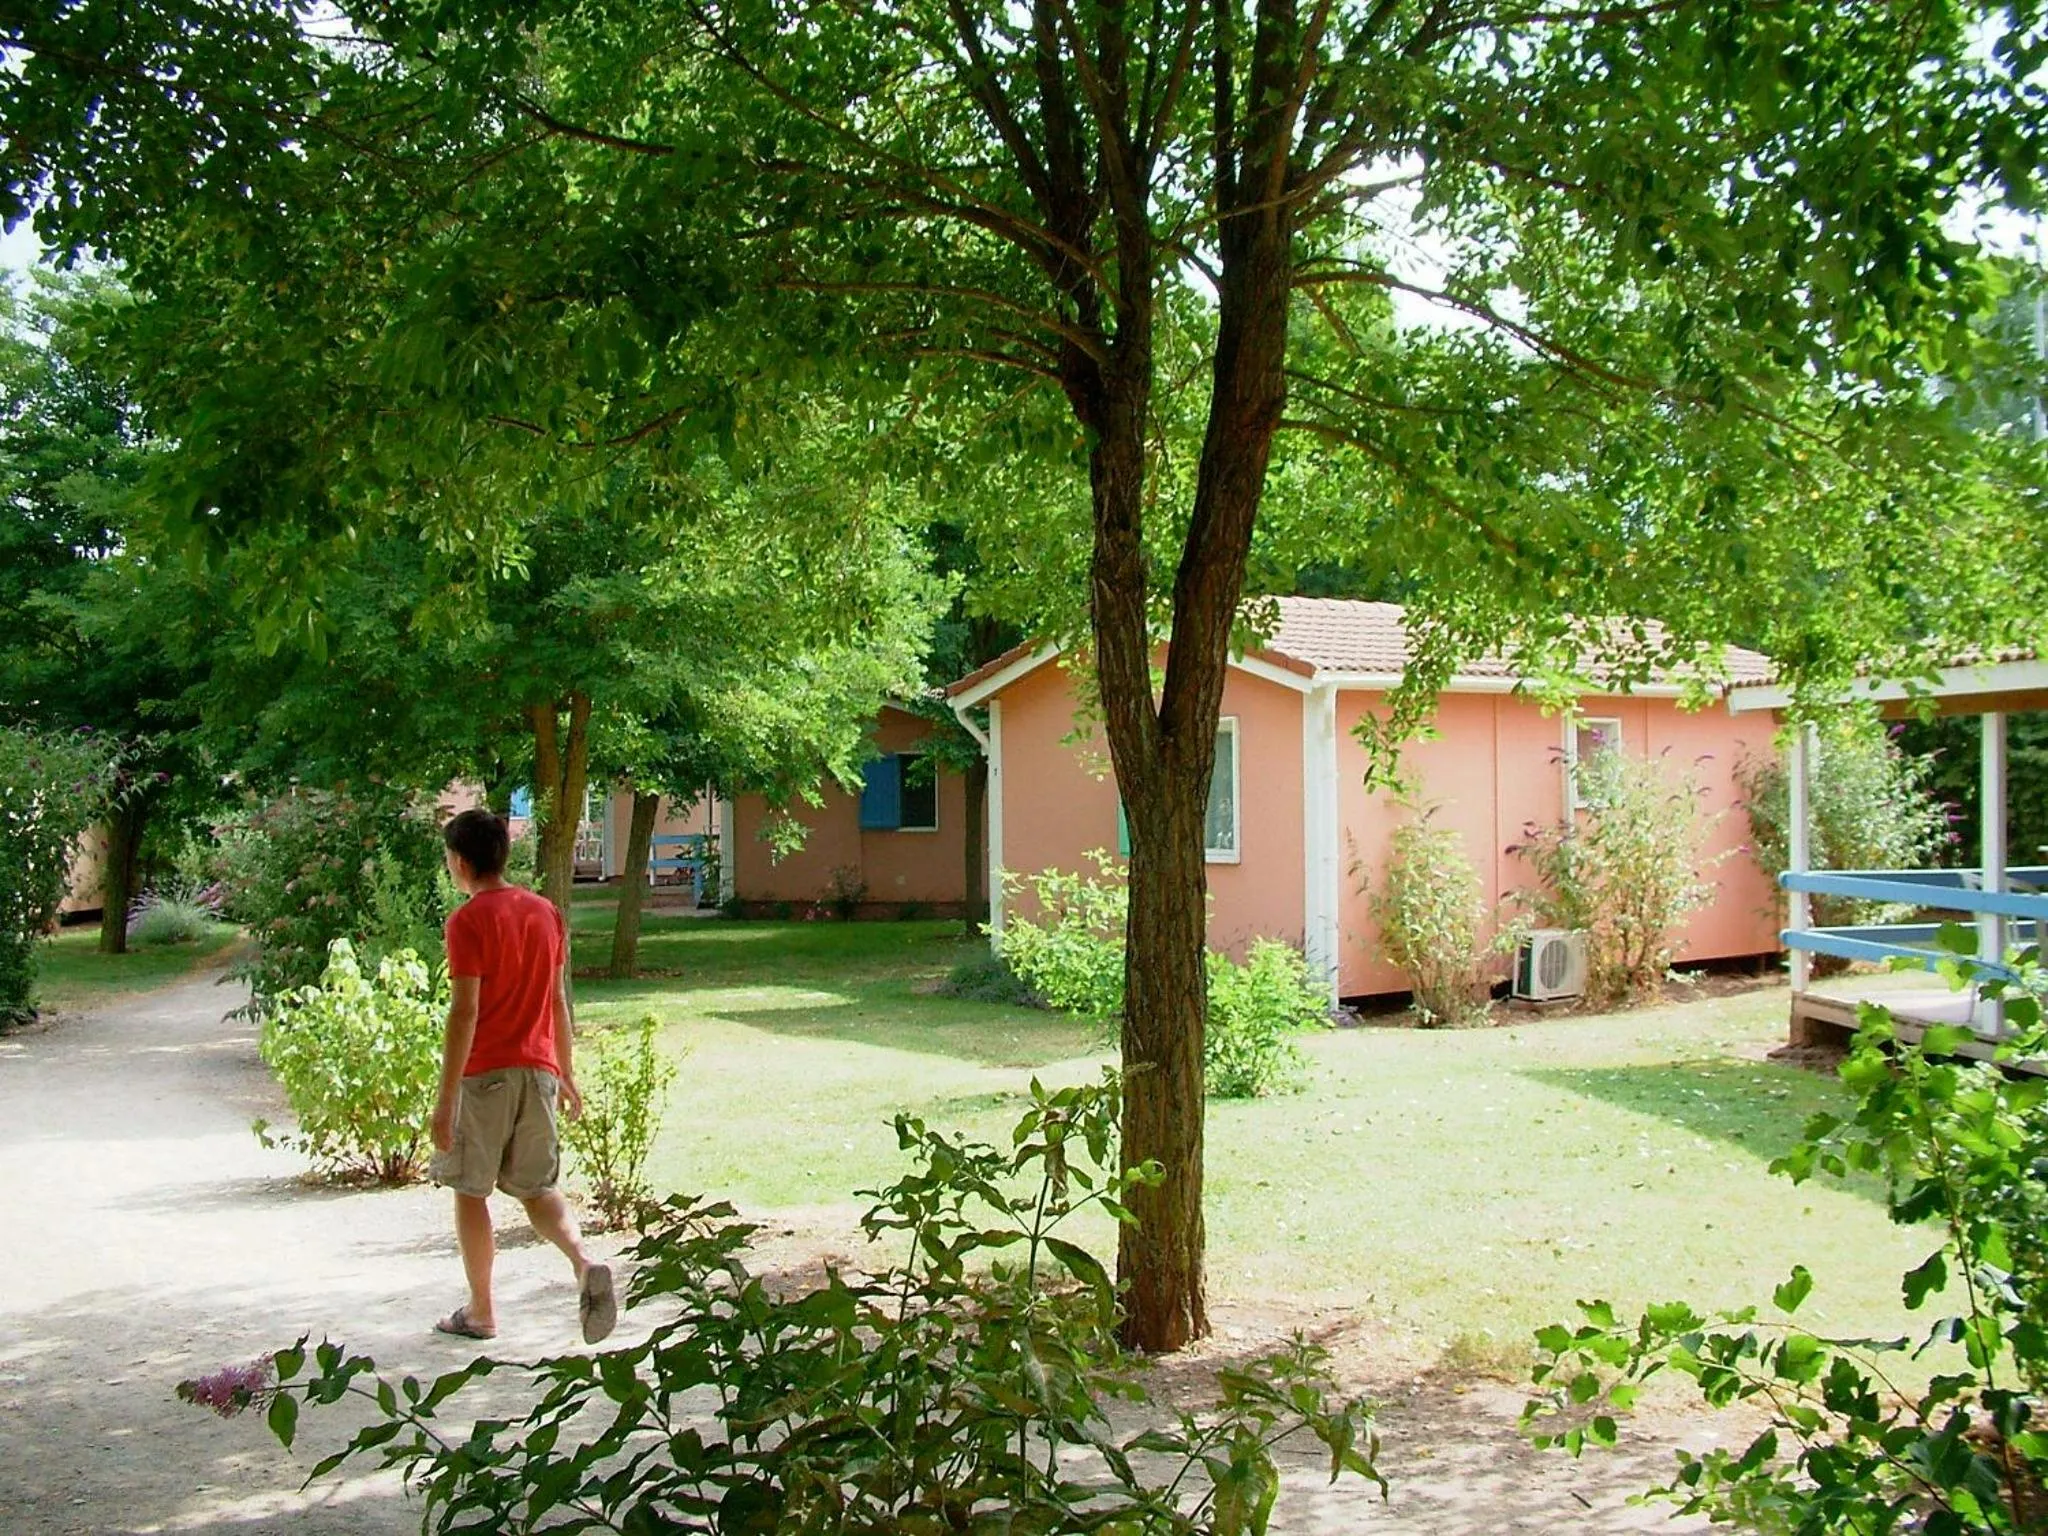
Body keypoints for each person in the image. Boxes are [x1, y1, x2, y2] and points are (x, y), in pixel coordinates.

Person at [428, 808, 615, 1345]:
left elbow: (465, 1012)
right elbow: (557, 1001)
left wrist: (445, 1100)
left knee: (470, 1190)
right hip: (538, 1073)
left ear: (461, 863)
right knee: (539, 1190)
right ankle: (583, 1262)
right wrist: (566, 1071)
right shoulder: (544, 913)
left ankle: (481, 1311)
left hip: (484, 1075)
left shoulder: (467, 922)